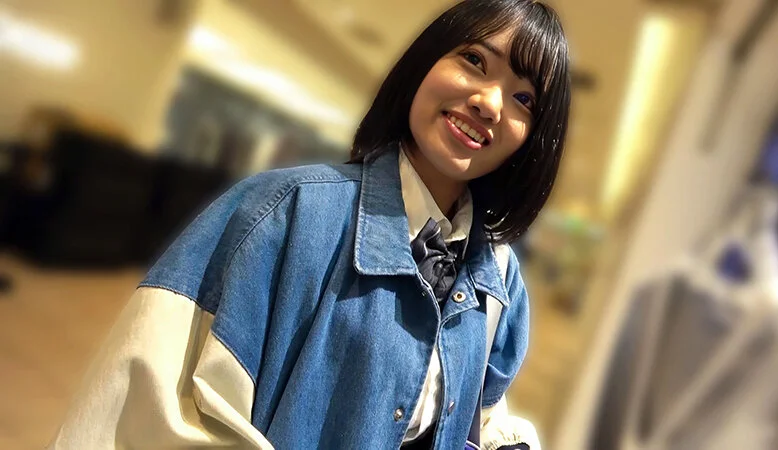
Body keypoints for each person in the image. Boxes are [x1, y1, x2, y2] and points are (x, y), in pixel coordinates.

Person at [49, 0, 571, 448]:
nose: (489, 103)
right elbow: (149, 410)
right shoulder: (279, 212)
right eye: (475, 60)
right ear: (424, 63)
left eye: (524, 99)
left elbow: (482, 413)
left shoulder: (499, 278)